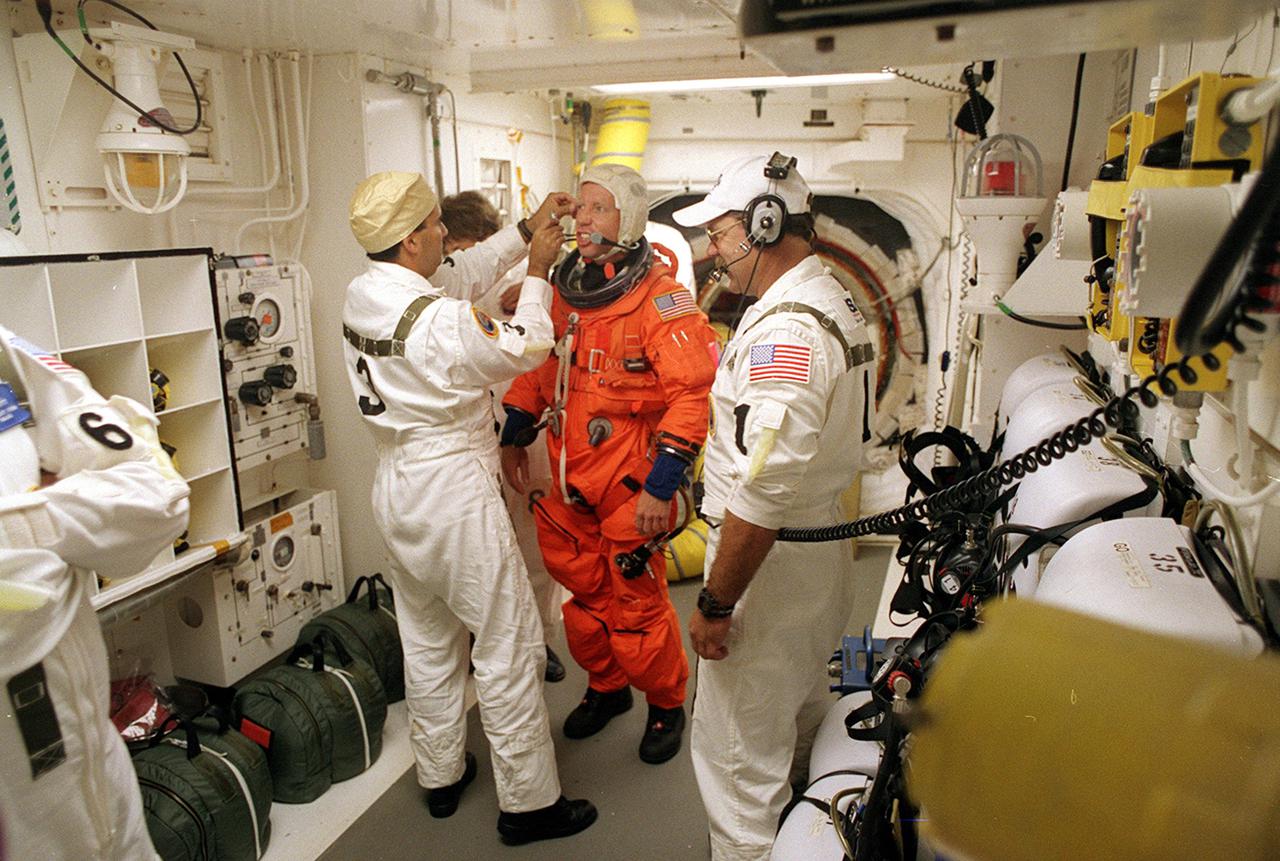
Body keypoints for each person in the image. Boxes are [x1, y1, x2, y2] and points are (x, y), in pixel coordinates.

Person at [343, 171, 595, 845]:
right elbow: (529, 343)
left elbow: (458, 271)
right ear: (407, 242)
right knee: (508, 643)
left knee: (427, 639)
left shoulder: (365, 294)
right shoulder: (442, 322)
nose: (442, 240)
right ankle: (530, 803)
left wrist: (521, 229)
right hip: (452, 488)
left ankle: (440, 772)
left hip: (396, 488)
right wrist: (538, 271)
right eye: (431, 230)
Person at [672, 153, 877, 860]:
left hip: (771, 563)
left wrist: (717, 603)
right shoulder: (834, 296)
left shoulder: (788, 331)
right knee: (794, 718)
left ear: (765, 224)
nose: (714, 254)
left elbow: (762, 492)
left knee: (736, 759)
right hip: (815, 553)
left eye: (722, 235)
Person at [500, 163, 719, 765]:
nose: (583, 219)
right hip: (570, 480)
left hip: (631, 482)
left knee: (637, 602)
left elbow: (691, 397)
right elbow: (544, 366)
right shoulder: (564, 295)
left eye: (599, 208)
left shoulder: (661, 300)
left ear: (630, 218)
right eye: (582, 208)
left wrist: (661, 488)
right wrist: (515, 429)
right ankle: (606, 687)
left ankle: (666, 703)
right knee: (583, 597)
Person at [0, 324, 190, 860]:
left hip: (96, 761)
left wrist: (25, 530)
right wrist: (65, 517)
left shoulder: (6, 351)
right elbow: (17, 626)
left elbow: (159, 499)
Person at [440, 191, 567, 685]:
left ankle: (541, 640)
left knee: (535, 546)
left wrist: (545, 297)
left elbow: (553, 344)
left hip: (523, 427)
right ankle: (481, 639)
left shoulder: (527, 282)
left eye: (467, 247)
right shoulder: (441, 294)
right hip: (469, 436)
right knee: (479, 551)